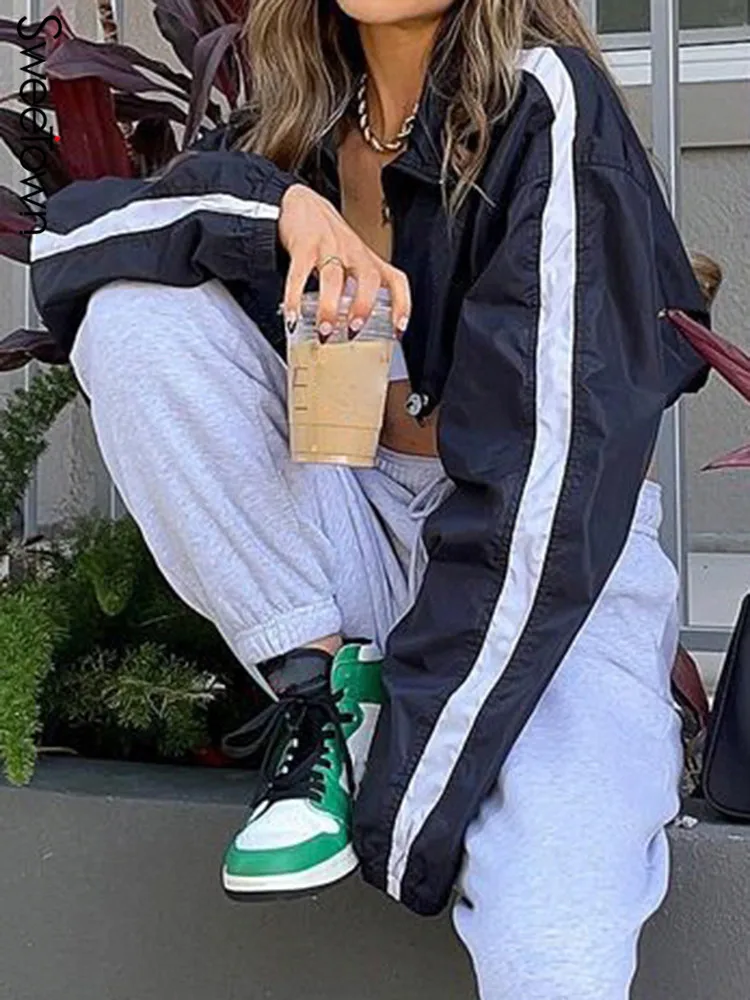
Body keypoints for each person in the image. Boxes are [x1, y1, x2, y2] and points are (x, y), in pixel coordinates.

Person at [30, 1, 714, 996]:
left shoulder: (547, 102)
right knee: (132, 320)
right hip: (351, 536)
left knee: (552, 929)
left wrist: (411, 785)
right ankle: (320, 697)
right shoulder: (296, 131)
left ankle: (380, 729)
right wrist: (279, 213)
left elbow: (552, 495)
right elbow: (71, 246)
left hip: (553, 574)